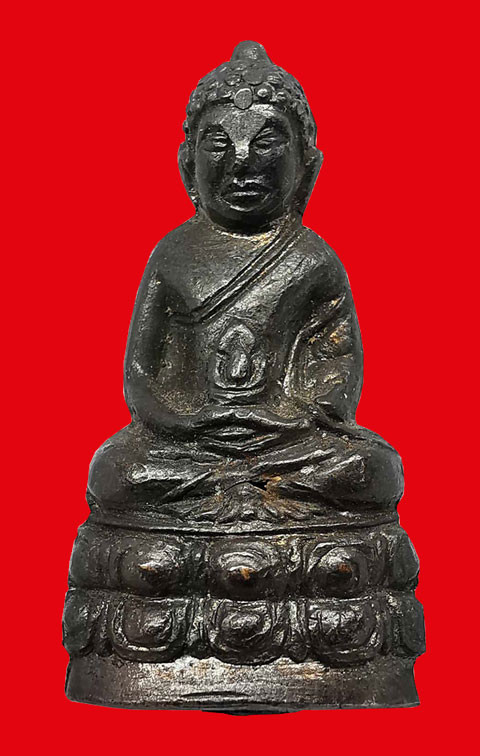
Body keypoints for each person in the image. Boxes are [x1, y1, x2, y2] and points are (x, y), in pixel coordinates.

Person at [88, 40, 403, 518]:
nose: (241, 160)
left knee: (370, 467)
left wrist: (293, 419)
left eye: (267, 142)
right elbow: (141, 374)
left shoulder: (312, 260)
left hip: (284, 441)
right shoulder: (172, 256)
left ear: (307, 165)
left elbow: (336, 366)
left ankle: (240, 490)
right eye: (219, 144)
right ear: (187, 164)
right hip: (191, 441)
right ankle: (255, 493)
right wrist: (185, 422)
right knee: (117, 471)